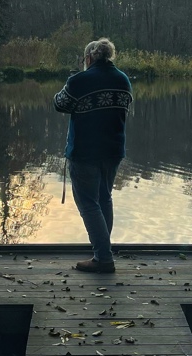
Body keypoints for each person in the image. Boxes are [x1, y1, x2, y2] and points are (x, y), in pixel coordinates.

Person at [53, 38, 133, 273]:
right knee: (104, 198)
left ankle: (103, 258)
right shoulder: (123, 79)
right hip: (113, 150)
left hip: (85, 152)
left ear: (89, 58)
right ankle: (102, 252)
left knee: (88, 204)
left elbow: (60, 104)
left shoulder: (79, 80)